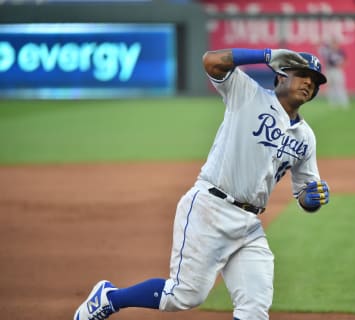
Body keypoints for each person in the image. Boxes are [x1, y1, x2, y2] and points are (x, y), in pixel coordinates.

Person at [73, 48, 331, 320]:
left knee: (255, 307)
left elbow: (304, 192)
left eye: (314, 81)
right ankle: (109, 298)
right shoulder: (247, 94)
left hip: (249, 225)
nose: (309, 83)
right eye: (302, 75)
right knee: (184, 295)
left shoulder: (305, 137)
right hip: (210, 208)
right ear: (280, 76)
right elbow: (211, 60)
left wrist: (311, 199)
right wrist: (266, 55)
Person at [320, 38, 350, 108]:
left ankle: (344, 104)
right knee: (330, 87)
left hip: (337, 70)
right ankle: (333, 104)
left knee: (339, 87)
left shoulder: (340, 52)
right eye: (332, 43)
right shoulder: (328, 51)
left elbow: (346, 61)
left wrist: (341, 65)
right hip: (329, 70)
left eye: (335, 43)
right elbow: (323, 56)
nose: (334, 45)